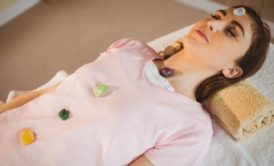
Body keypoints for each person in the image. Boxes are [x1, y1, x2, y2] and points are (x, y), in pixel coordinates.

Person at [0, 5, 270, 166]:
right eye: (217, 16)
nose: (214, 24)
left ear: (233, 69)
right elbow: (50, 92)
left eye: (231, 31)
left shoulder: (191, 128)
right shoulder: (128, 48)